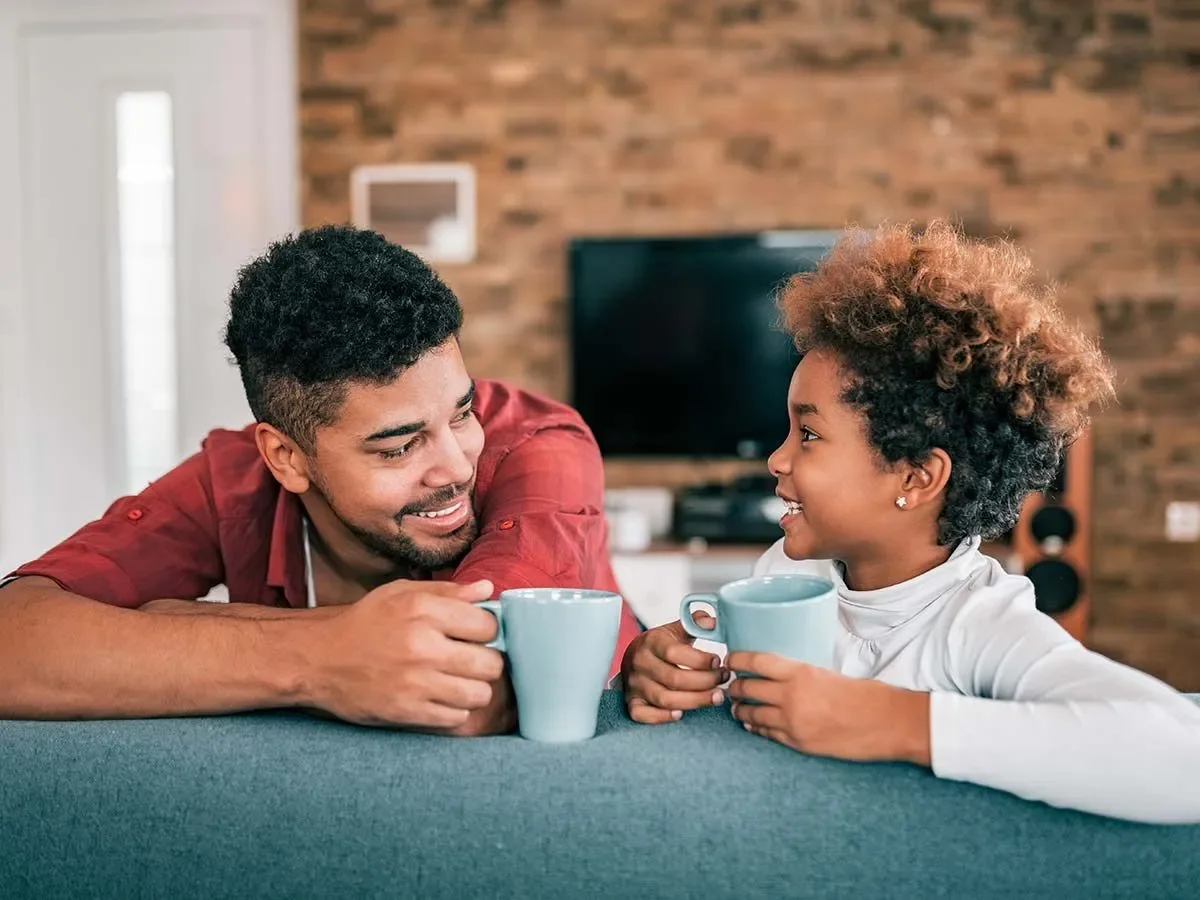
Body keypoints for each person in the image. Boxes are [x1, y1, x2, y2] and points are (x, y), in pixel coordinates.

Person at [621, 220, 1200, 824]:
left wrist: (889, 720)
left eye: (810, 434)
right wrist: (660, 662)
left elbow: (1185, 757)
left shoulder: (977, 624)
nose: (777, 458)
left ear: (917, 477)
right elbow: (726, 689)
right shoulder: (788, 570)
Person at [0, 225, 640, 735]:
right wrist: (325, 655)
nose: (456, 466)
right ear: (285, 458)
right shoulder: (233, 482)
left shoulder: (540, 445)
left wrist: (180, 624)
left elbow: (482, 695)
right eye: (398, 447)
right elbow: (13, 639)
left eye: (463, 412)